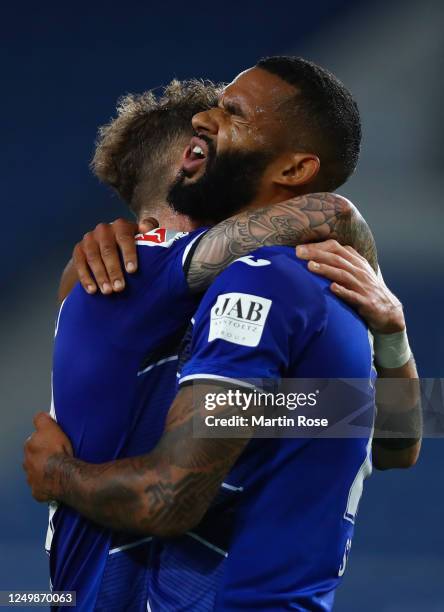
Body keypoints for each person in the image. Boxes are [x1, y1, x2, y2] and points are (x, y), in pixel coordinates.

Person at [24, 57, 420, 611]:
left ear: (294, 169)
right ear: (148, 230)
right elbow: (400, 443)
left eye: (229, 114)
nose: (209, 122)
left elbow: (167, 498)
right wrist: (392, 335)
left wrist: (55, 474)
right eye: (192, 151)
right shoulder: (131, 275)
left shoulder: (260, 285)